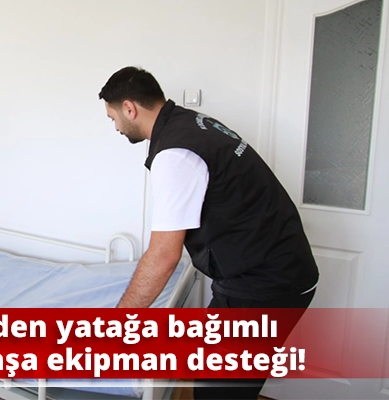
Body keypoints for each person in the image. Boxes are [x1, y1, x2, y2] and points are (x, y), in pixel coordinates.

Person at [99, 67, 319, 399]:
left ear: (129, 108)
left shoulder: (175, 154)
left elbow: (163, 256)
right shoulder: (193, 124)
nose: (115, 126)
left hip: (265, 283)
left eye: (113, 117)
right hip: (271, 268)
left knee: (216, 391)